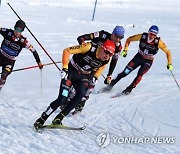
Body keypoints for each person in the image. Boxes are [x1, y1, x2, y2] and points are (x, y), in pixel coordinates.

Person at [33, 39, 116, 129]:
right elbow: (67, 50)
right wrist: (64, 68)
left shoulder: (106, 59)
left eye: (110, 54)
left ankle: (59, 118)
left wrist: (96, 76)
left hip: (83, 76)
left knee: (80, 95)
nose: (107, 56)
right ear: (101, 48)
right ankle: (42, 118)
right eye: (106, 52)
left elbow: (102, 67)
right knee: (62, 99)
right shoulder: (88, 47)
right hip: (71, 73)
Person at [65, 26, 124, 114]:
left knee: (91, 83)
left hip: (97, 66)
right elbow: (81, 38)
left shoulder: (118, 47)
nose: (118, 39)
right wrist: (83, 51)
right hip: (85, 60)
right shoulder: (102, 35)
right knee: (76, 86)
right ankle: (68, 101)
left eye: (121, 37)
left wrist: (109, 75)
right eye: (117, 36)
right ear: (112, 33)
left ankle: (81, 103)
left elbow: (114, 60)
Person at [103, 25, 173, 94]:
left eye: (154, 35)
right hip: (138, 58)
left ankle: (129, 89)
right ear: (148, 32)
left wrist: (169, 63)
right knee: (125, 72)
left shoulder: (158, 42)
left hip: (148, 61)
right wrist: (125, 50)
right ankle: (110, 85)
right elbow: (129, 39)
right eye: (151, 34)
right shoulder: (142, 36)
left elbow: (168, 52)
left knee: (140, 74)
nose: (152, 36)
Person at [0, 20, 43, 90]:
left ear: (22, 31)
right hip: (1, 55)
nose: (17, 32)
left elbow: (34, 50)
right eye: (16, 29)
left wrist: (39, 62)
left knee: (4, 74)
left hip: (9, 62)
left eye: (20, 30)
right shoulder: (8, 32)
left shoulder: (23, 41)